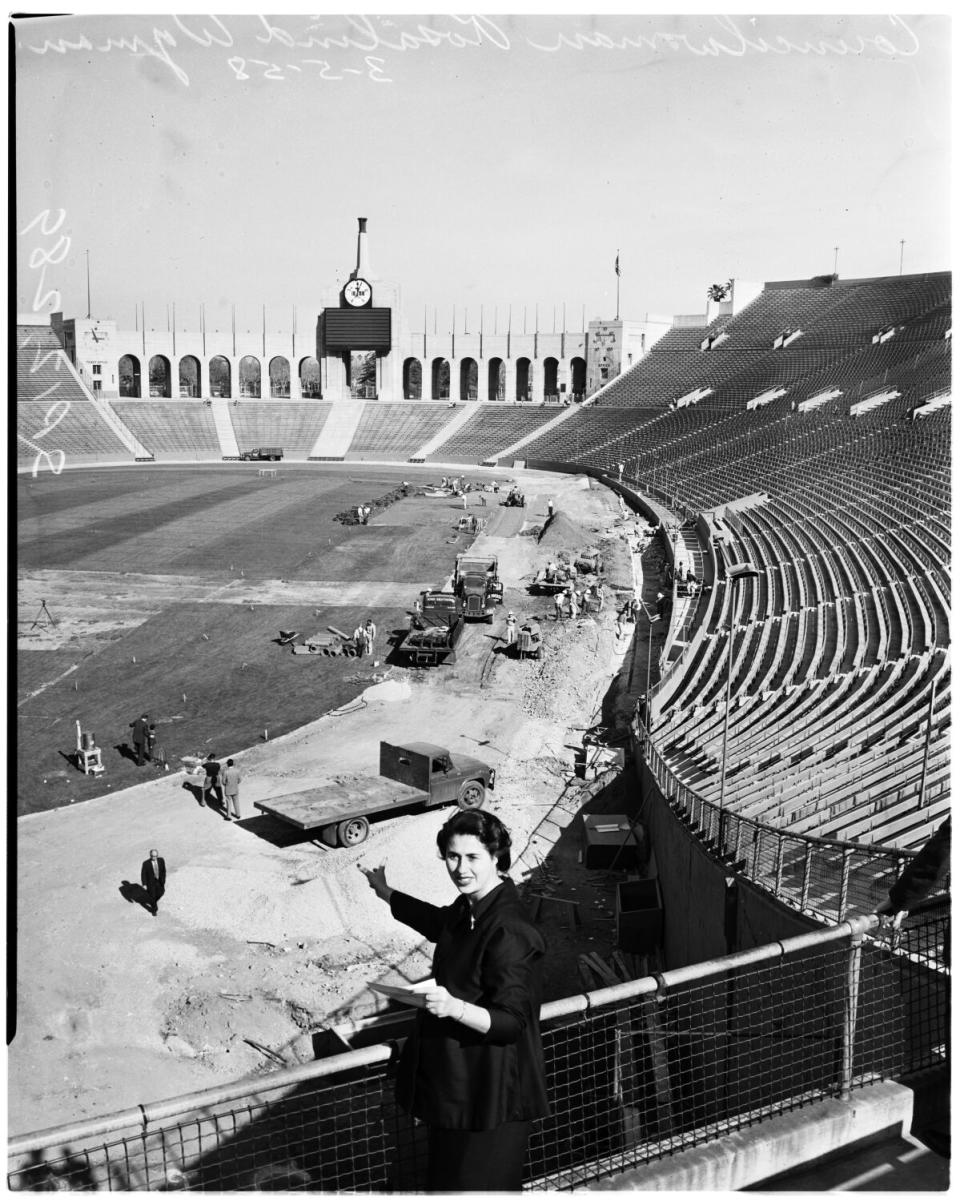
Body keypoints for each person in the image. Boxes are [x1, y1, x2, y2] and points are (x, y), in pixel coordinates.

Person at [360, 811, 549, 1192]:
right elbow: (438, 923)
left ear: (496, 857)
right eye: (452, 857)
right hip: (463, 1090)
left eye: (473, 857)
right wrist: (386, 892)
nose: (460, 868)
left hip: (492, 1098)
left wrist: (453, 1006)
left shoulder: (509, 930)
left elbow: (512, 1022)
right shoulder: (472, 908)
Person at [141, 848, 166, 916]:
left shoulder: (161, 860)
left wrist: (163, 880)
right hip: (151, 882)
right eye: (152, 856)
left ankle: (153, 901)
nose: (153, 857)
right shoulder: (146, 863)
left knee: (161, 892)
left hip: (159, 881)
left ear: (157, 855)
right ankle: (154, 909)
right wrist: (144, 884)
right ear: (150, 855)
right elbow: (143, 874)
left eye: (155, 856)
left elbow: (163, 870)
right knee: (152, 896)